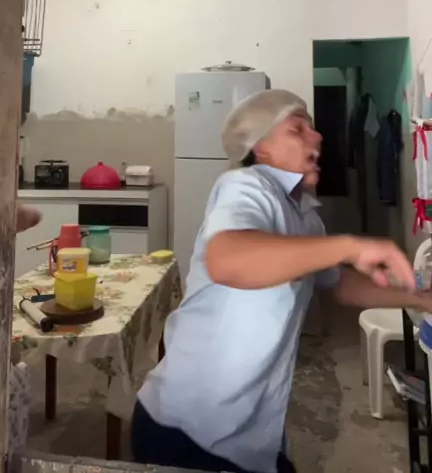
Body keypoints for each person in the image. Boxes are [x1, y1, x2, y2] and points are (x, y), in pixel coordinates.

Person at [131, 89, 431, 473]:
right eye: (297, 129)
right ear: (262, 148)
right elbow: (228, 259)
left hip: (251, 434)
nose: (317, 136)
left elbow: (338, 283)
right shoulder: (245, 185)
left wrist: (420, 298)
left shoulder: (305, 214)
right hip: (186, 428)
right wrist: (349, 245)